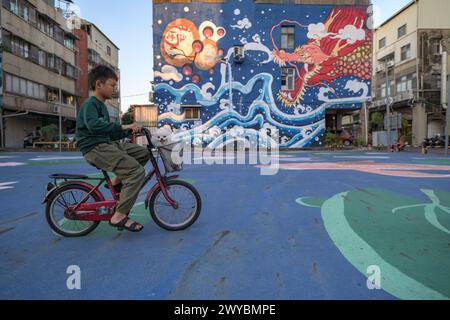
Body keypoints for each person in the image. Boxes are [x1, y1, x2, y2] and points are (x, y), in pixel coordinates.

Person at [75, 65, 150, 232]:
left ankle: (116, 183)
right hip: (94, 148)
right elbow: (94, 126)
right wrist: (124, 127)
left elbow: (109, 133)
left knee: (143, 153)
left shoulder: (102, 106)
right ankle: (119, 216)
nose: (114, 89)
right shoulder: (90, 104)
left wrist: (130, 131)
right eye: (112, 85)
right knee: (136, 172)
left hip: (106, 144)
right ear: (98, 85)